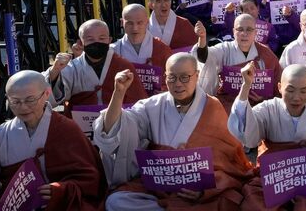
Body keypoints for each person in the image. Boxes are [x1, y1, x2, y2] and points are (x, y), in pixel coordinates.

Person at [94, 53, 252, 209]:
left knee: (225, 201)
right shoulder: (153, 105)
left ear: (197, 76)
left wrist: (206, 189)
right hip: (158, 185)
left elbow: (227, 160)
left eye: (185, 77)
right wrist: (119, 93)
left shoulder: (211, 107)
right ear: (165, 77)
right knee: (116, 201)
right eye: (172, 77)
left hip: (196, 189)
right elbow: (118, 126)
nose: (178, 84)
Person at [227, 64, 306, 210]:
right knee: (254, 201)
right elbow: (247, 135)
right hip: (277, 178)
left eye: (303, 91)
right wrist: (246, 86)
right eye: (290, 90)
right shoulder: (268, 110)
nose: (297, 98)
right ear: (280, 87)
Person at [0, 71, 106, 210]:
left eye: (30, 100)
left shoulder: (67, 129)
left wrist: (62, 190)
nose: (23, 107)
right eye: (15, 101)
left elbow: (91, 179)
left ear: (47, 94)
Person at [44, 19, 146, 116]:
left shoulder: (123, 66)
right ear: (81, 43)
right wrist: (55, 71)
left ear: (109, 40)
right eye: (90, 39)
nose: (96, 42)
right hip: (81, 128)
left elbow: (138, 102)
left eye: (102, 38)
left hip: (117, 126)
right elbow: (44, 97)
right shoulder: (73, 67)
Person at [193, 14, 282, 108]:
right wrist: (202, 39)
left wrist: (263, 99)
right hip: (229, 103)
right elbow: (205, 58)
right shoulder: (225, 49)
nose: (244, 33)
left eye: (249, 29)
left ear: (255, 32)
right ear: (233, 32)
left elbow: (278, 84)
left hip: (258, 105)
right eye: (240, 29)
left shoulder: (265, 53)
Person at [112, 4, 173, 88]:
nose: (135, 28)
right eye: (130, 23)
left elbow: (173, 78)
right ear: (122, 22)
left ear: (147, 22)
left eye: (140, 23)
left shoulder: (162, 49)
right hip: (124, 100)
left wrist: (163, 89)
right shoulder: (113, 51)